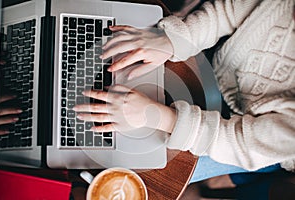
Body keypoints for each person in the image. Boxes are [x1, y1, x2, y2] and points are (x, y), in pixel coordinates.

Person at [73, 0, 295, 185]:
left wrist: (154, 115)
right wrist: (171, 40)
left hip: (254, 143)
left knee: (141, 176)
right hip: (222, 66)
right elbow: (228, 13)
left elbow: (240, 144)